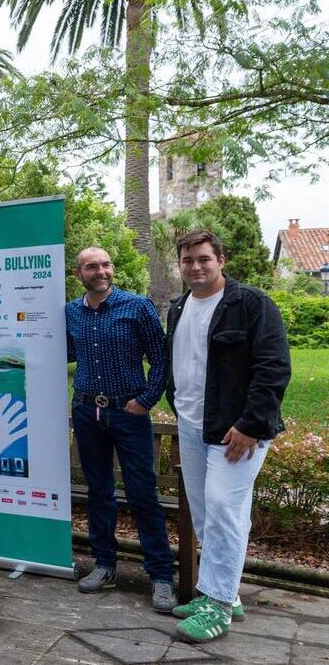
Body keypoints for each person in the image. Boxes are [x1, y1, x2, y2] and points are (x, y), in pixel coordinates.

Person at [164, 230, 290, 644]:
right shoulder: (179, 307)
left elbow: (273, 368)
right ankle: (226, 591)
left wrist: (252, 425)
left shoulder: (252, 304)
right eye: (188, 261)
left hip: (238, 432)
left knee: (225, 509)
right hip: (193, 425)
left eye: (203, 258)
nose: (195, 267)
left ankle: (217, 605)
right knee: (205, 513)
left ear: (221, 258)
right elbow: (179, 364)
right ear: (180, 265)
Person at [65, 247, 175, 611]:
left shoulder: (137, 307)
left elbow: (160, 359)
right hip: (86, 410)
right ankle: (105, 565)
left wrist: (145, 400)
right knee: (99, 492)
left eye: (106, 264)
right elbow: (60, 352)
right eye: (92, 266)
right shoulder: (71, 312)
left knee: (143, 493)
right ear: (78, 272)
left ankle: (161, 576)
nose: (101, 271)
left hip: (128, 411)